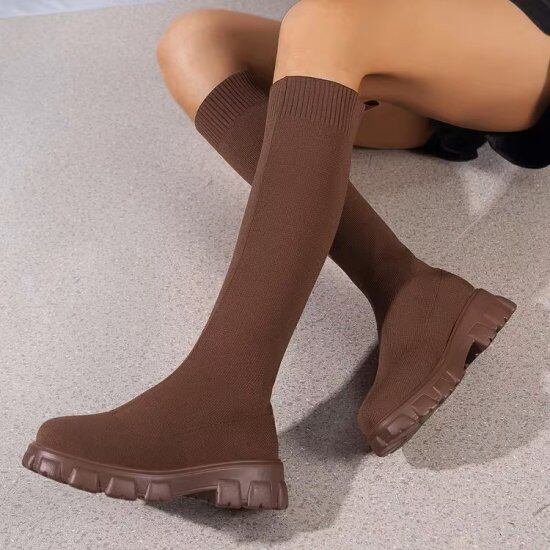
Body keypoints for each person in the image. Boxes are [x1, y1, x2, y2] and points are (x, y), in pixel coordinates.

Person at [23, 0, 548, 510]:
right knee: (194, 41)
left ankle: (220, 397)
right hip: (417, 53)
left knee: (323, 24)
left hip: (522, 39)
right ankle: (407, 286)